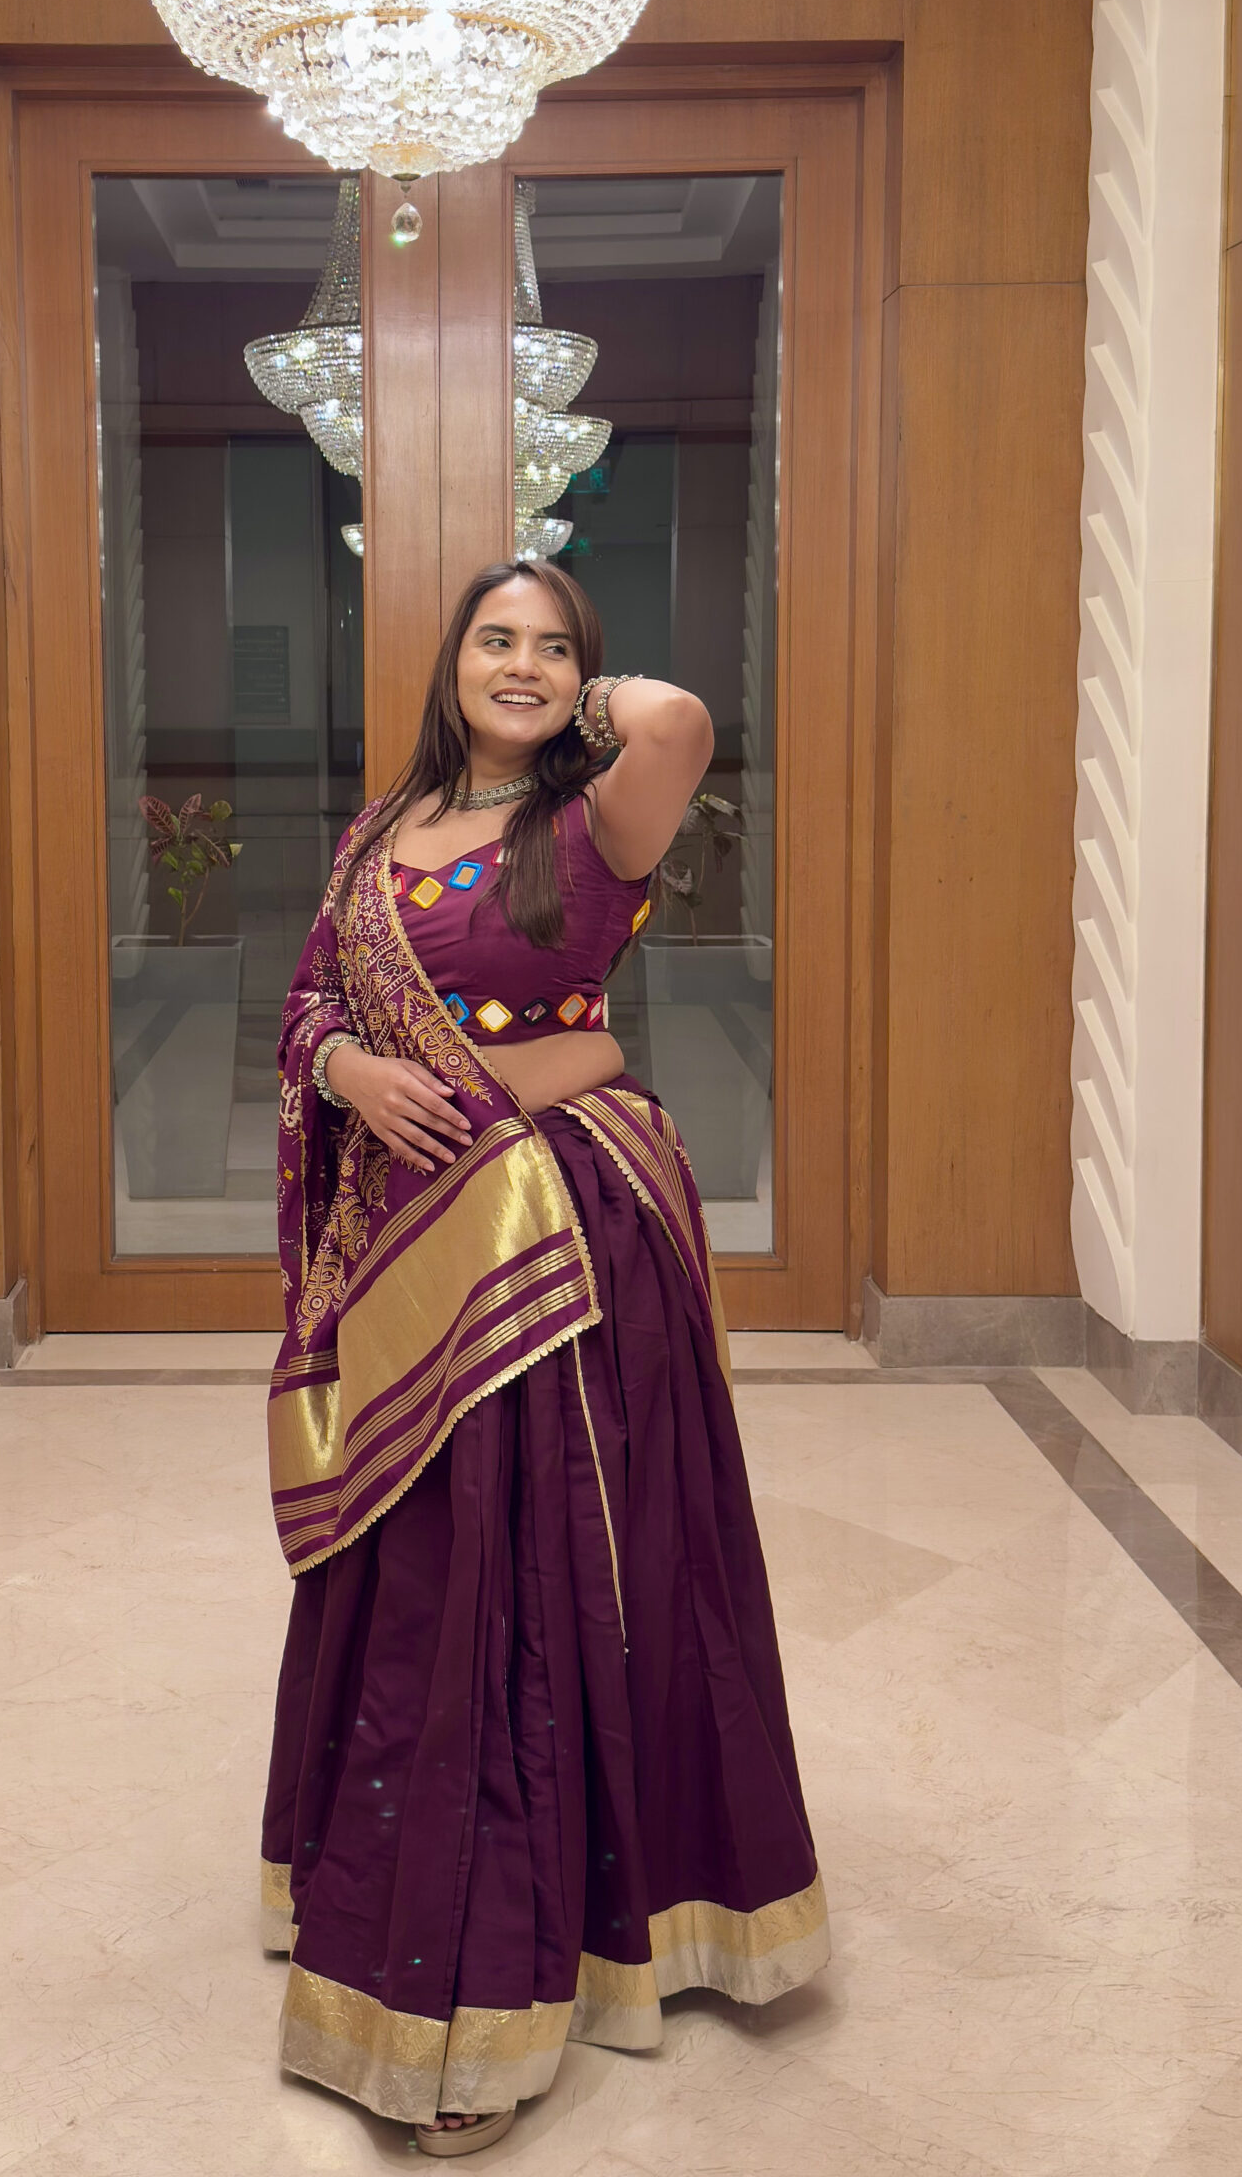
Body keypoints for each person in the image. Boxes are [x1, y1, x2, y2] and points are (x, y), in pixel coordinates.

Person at [261, 559, 827, 2157]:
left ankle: (492, 1985)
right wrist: (354, 1071)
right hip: (407, 1239)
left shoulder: (595, 819)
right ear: (446, 661)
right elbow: (307, 1003)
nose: (520, 665)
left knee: (532, 1585)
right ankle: (388, 1902)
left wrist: (583, 707)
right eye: (494, 641)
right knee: (418, 1578)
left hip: (554, 1252)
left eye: (553, 648)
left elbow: (684, 719)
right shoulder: (378, 832)